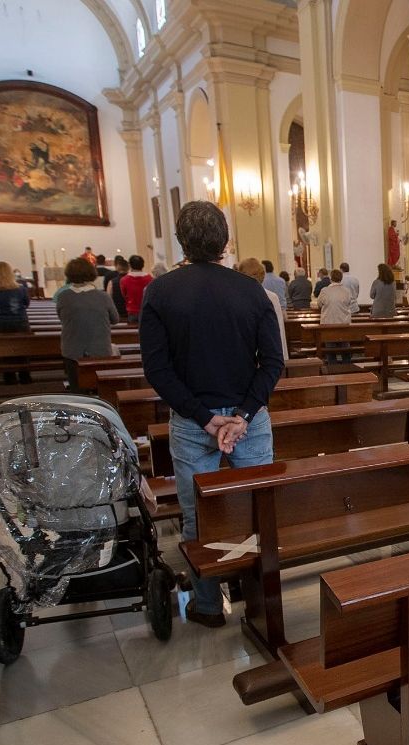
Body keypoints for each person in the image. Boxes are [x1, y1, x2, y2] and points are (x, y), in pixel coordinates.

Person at [139, 201, 284, 628]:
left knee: (196, 513)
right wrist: (241, 416)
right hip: (249, 420)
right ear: (225, 241)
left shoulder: (161, 292)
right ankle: (252, 595)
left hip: (191, 419)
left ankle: (206, 605)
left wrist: (204, 417)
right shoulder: (251, 291)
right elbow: (272, 363)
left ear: (182, 241)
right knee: (256, 506)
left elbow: (157, 369)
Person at [55, 257, 119, 389]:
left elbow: (62, 318)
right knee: (100, 386)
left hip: (72, 350)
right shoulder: (102, 297)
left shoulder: (63, 297)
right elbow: (115, 319)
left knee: (76, 387)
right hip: (99, 349)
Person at [237, 257, 290, 361]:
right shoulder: (272, 297)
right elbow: (279, 330)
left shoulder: (237, 296)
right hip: (268, 353)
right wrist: (283, 357)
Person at [311, 268, 355, 363]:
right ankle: (347, 366)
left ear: (331, 278)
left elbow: (319, 304)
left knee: (330, 348)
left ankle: (332, 367)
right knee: (345, 346)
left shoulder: (324, 290)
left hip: (329, 323)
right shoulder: (346, 291)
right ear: (341, 278)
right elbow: (349, 303)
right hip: (343, 323)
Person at [0, 261, 30, 333]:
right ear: (10, 273)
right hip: (19, 322)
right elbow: (26, 304)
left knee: (0, 344)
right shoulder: (20, 289)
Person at [120, 255, 153, 324]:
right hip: (146, 310)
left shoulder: (124, 280)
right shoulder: (149, 278)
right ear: (143, 265)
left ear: (130, 265)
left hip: (132, 311)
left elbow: (124, 295)